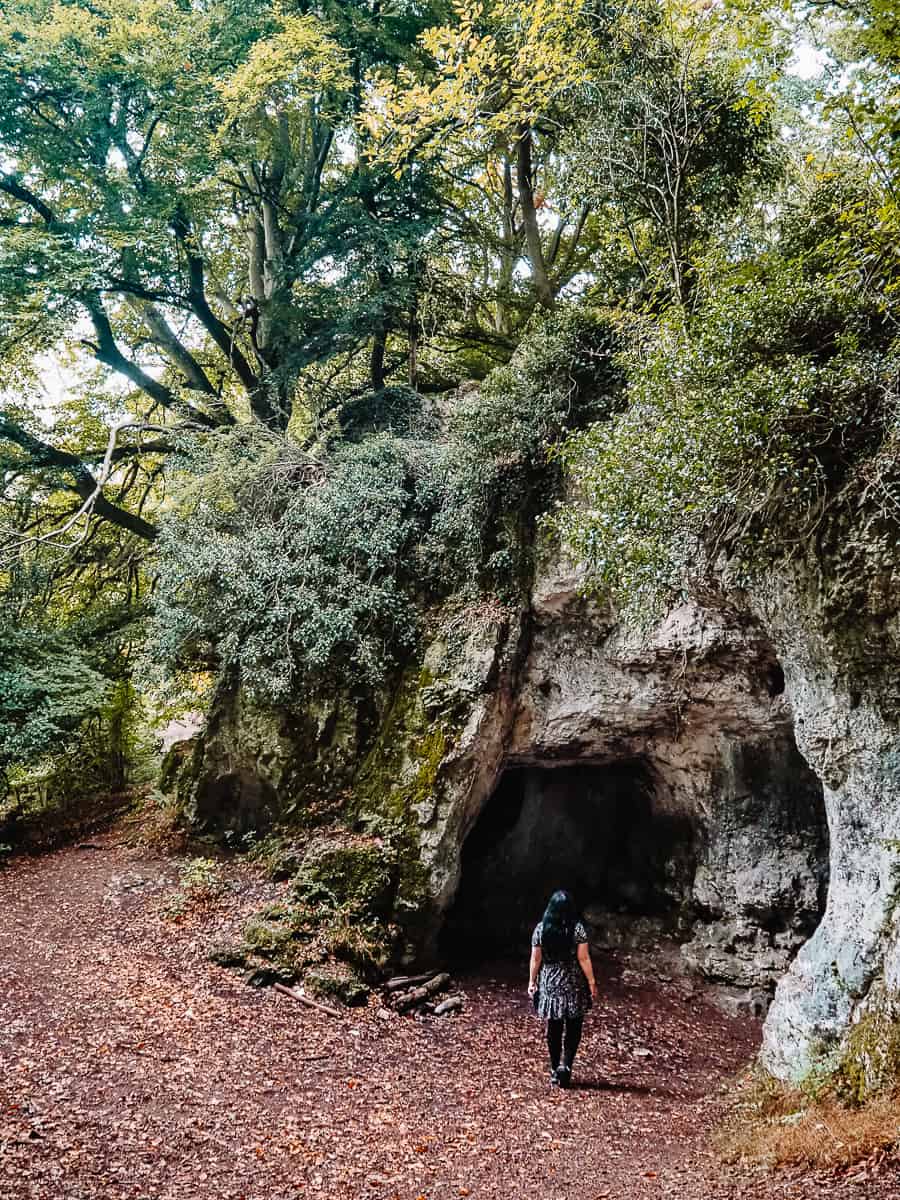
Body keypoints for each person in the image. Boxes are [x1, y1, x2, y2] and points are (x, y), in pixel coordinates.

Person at [528, 889, 598, 1088]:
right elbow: (583, 958)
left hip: (550, 984)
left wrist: (532, 981)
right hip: (573, 983)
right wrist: (592, 982)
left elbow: (536, 958)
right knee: (574, 1026)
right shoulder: (577, 929)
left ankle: (553, 1069)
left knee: (554, 1027)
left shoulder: (541, 929)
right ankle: (566, 1066)